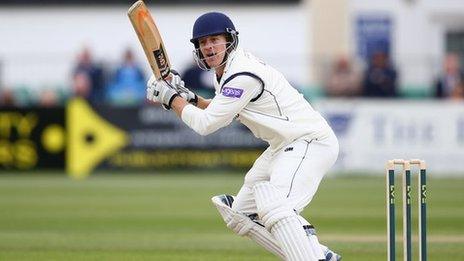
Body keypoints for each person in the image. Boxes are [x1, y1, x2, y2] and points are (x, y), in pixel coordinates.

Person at [146, 12, 341, 261]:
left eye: (214, 39)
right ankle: (320, 255)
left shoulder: (242, 74)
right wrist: (188, 97)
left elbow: (206, 125)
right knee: (240, 215)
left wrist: (171, 98)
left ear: (230, 40)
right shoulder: (227, 72)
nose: (208, 47)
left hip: (309, 142)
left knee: (276, 209)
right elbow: (223, 111)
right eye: (203, 43)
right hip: (283, 146)